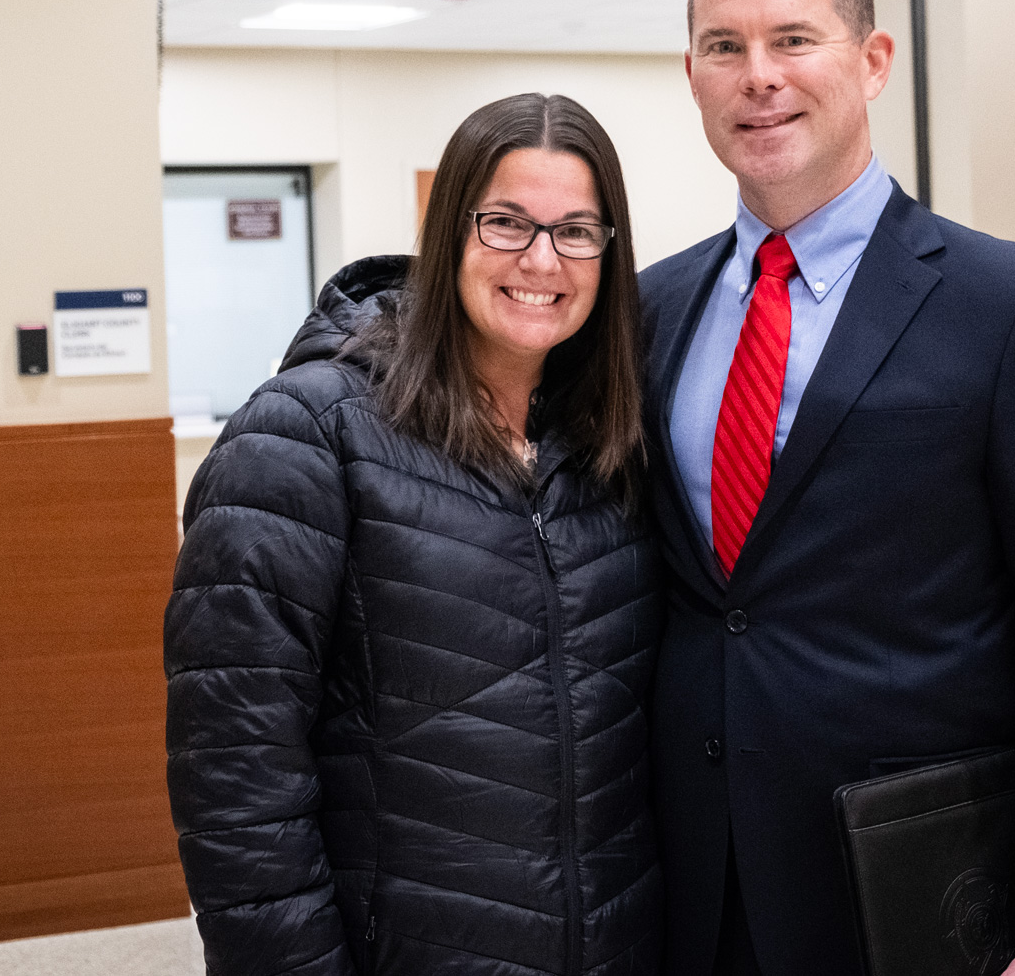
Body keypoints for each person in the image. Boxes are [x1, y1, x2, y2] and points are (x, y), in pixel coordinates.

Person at [640, 0, 1015, 976]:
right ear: (689, 72)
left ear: (871, 62)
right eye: (722, 47)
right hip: (703, 883)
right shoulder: (650, 311)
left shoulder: (1011, 307)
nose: (757, 77)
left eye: (792, 39)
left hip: (928, 876)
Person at [165, 94, 663, 976]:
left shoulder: (612, 446)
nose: (542, 259)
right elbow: (237, 781)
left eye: (577, 230)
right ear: (446, 233)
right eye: (507, 222)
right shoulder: (305, 436)